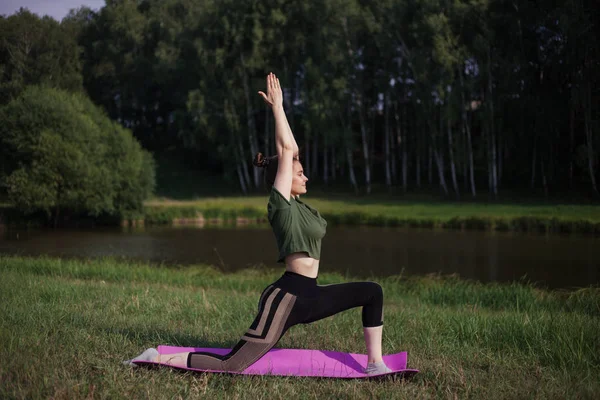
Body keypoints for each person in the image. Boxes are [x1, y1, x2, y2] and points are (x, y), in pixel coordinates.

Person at [124, 73, 392, 375]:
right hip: (286, 298)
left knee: (373, 291)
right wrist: (278, 107)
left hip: (311, 294)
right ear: (283, 179)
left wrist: (285, 125)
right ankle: (153, 358)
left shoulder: (304, 209)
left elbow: (292, 149)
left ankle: (374, 363)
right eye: (300, 173)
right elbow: (288, 151)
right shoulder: (281, 205)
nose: (305, 176)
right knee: (234, 364)